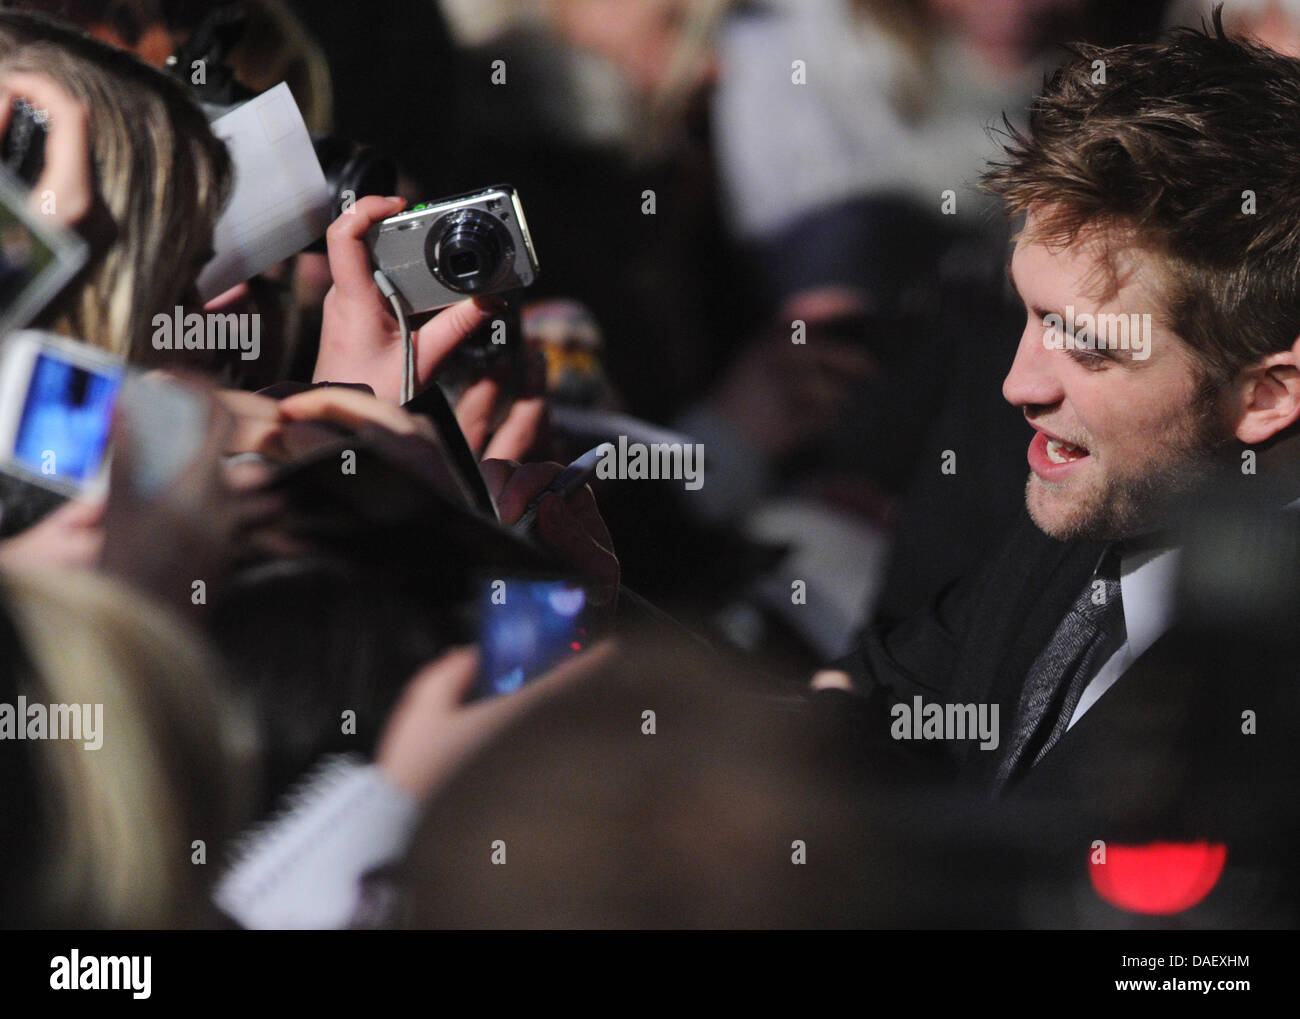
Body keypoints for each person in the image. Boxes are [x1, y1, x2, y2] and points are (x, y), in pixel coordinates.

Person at [816, 12, 1300, 824]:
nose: (1018, 385)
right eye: (1030, 315)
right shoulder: (1098, 504)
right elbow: (884, 703)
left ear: (1267, 397)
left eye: (1088, 349)